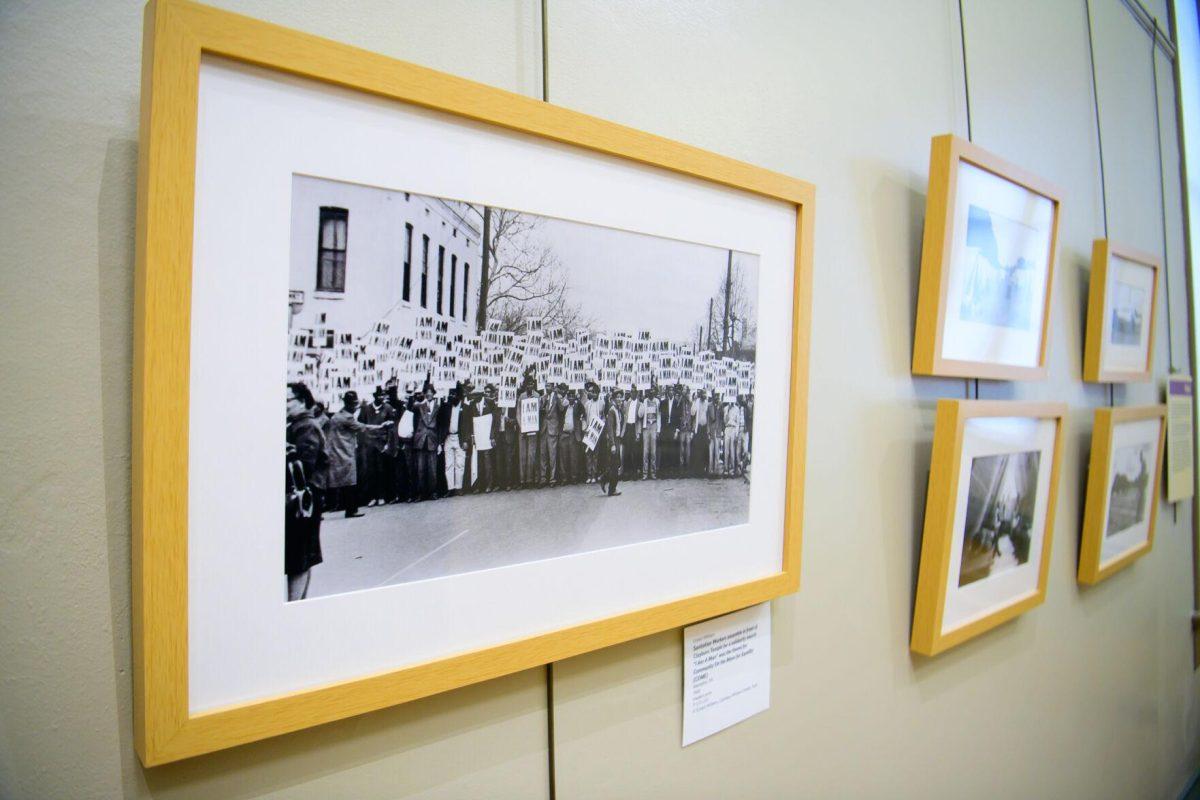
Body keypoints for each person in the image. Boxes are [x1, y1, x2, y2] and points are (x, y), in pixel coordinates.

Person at [286, 382, 325, 601]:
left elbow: (305, 465)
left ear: (302, 401)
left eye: (288, 401)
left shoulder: (306, 426)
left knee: (298, 559)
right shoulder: (295, 424)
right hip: (301, 500)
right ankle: (299, 603)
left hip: (303, 501)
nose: (284, 405)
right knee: (301, 558)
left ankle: (294, 606)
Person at [324, 391, 371, 517]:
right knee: (350, 482)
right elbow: (363, 427)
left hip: (337, 451)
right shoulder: (347, 418)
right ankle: (351, 510)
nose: (356, 406)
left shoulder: (337, 416)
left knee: (344, 482)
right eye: (354, 403)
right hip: (345, 452)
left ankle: (346, 508)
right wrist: (382, 426)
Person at [436, 386, 466, 496]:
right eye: (451, 394)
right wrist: (440, 441)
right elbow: (440, 424)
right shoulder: (445, 407)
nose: (452, 396)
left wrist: (466, 439)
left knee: (460, 464)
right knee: (448, 465)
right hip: (448, 437)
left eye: (454, 394)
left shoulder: (464, 407)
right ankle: (450, 488)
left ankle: (459, 487)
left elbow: (467, 425)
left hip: (459, 438)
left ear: (459, 395)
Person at [410, 385, 438, 500]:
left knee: (432, 468)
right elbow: (414, 422)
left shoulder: (438, 406)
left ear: (434, 393)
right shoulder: (418, 406)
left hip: (432, 438)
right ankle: (420, 493)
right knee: (420, 468)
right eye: (427, 392)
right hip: (420, 439)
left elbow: (440, 424)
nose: (429, 394)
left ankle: (433, 492)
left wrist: (439, 440)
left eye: (431, 392)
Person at [539, 383, 565, 485]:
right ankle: (543, 478)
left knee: (552, 455)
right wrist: (543, 403)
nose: (547, 388)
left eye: (549, 386)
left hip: (552, 429)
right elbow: (539, 411)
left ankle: (552, 478)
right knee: (543, 454)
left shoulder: (557, 397)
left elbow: (562, 409)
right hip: (543, 429)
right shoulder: (543, 398)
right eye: (546, 386)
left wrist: (558, 399)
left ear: (553, 387)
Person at [600, 389, 625, 497]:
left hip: (617, 439)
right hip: (614, 440)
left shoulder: (618, 410)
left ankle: (604, 478)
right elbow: (609, 428)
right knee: (614, 466)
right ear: (614, 399)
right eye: (617, 397)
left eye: (621, 397)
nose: (619, 399)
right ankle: (612, 489)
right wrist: (613, 444)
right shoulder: (612, 410)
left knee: (616, 464)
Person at [517, 378, 541, 487]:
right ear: (525, 385)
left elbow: (539, 412)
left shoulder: (537, 396)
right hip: (523, 430)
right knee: (523, 455)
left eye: (531, 384)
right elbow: (518, 413)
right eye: (528, 384)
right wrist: (522, 426)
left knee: (532, 455)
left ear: (534, 385)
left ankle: (531, 479)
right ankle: (522, 480)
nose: (529, 386)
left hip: (533, 429)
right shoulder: (521, 397)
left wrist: (533, 426)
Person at [558, 385, 583, 484]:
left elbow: (582, 408)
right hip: (564, 434)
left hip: (573, 434)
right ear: (567, 397)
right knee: (563, 457)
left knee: (573, 457)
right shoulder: (564, 407)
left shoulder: (577, 406)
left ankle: (574, 478)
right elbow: (559, 407)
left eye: (573, 396)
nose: (571, 398)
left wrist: (578, 397)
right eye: (570, 396)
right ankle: (564, 479)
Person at [583, 382, 604, 483]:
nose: (593, 394)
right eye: (591, 392)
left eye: (595, 392)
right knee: (588, 454)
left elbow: (603, 416)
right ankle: (589, 475)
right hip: (589, 430)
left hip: (597, 431)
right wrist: (585, 428)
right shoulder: (587, 404)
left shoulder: (601, 403)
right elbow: (584, 417)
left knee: (595, 454)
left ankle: (594, 475)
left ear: (598, 393)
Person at [639, 386, 661, 479]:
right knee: (645, 451)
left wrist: (658, 430)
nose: (651, 392)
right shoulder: (644, 402)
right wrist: (643, 404)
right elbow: (640, 414)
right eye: (650, 391)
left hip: (654, 426)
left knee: (653, 451)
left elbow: (659, 417)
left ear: (655, 392)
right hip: (646, 427)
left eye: (653, 391)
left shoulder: (657, 401)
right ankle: (644, 473)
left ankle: (653, 472)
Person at [722, 395, 743, 476]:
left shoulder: (737, 409)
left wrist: (737, 433)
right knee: (726, 450)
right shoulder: (726, 408)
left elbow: (737, 422)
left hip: (734, 429)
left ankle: (732, 470)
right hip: (727, 428)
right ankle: (726, 469)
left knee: (732, 450)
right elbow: (725, 421)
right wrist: (727, 411)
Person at [623, 389, 642, 478]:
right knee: (627, 450)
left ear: (637, 393)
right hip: (628, 428)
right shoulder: (627, 403)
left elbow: (640, 420)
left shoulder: (640, 404)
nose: (632, 394)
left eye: (634, 392)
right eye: (631, 392)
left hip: (635, 428)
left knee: (635, 451)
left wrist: (638, 433)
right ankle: (627, 472)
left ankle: (635, 472)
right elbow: (624, 416)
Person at [691, 389, 710, 478]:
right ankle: (697, 470)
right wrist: (694, 401)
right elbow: (692, 412)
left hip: (705, 428)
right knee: (698, 449)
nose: (704, 395)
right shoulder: (696, 402)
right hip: (698, 429)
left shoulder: (707, 403)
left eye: (705, 394)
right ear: (700, 395)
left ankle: (704, 470)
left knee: (705, 449)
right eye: (703, 394)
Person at [706, 392, 724, 477]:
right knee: (711, 452)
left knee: (717, 452)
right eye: (715, 395)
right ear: (713, 396)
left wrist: (720, 407)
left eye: (718, 395)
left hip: (718, 431)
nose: (717, 397)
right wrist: (708, 432)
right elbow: (708, 420)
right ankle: (710, 470)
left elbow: (722, 418)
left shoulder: (721, 405)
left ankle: (717, 470)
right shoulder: (709, 406)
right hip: (712, 432)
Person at [677, 387, 694, 475]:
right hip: (682, 428)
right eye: (685, 393)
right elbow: (677, 407)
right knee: (681, 448)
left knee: (688, 448)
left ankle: (687, 467)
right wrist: (681, 396)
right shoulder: (681, 402)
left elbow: (693, 413)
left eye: (687, 393)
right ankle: (681, 467)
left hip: (688, 429)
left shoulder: (690, 403)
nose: (687, 394)